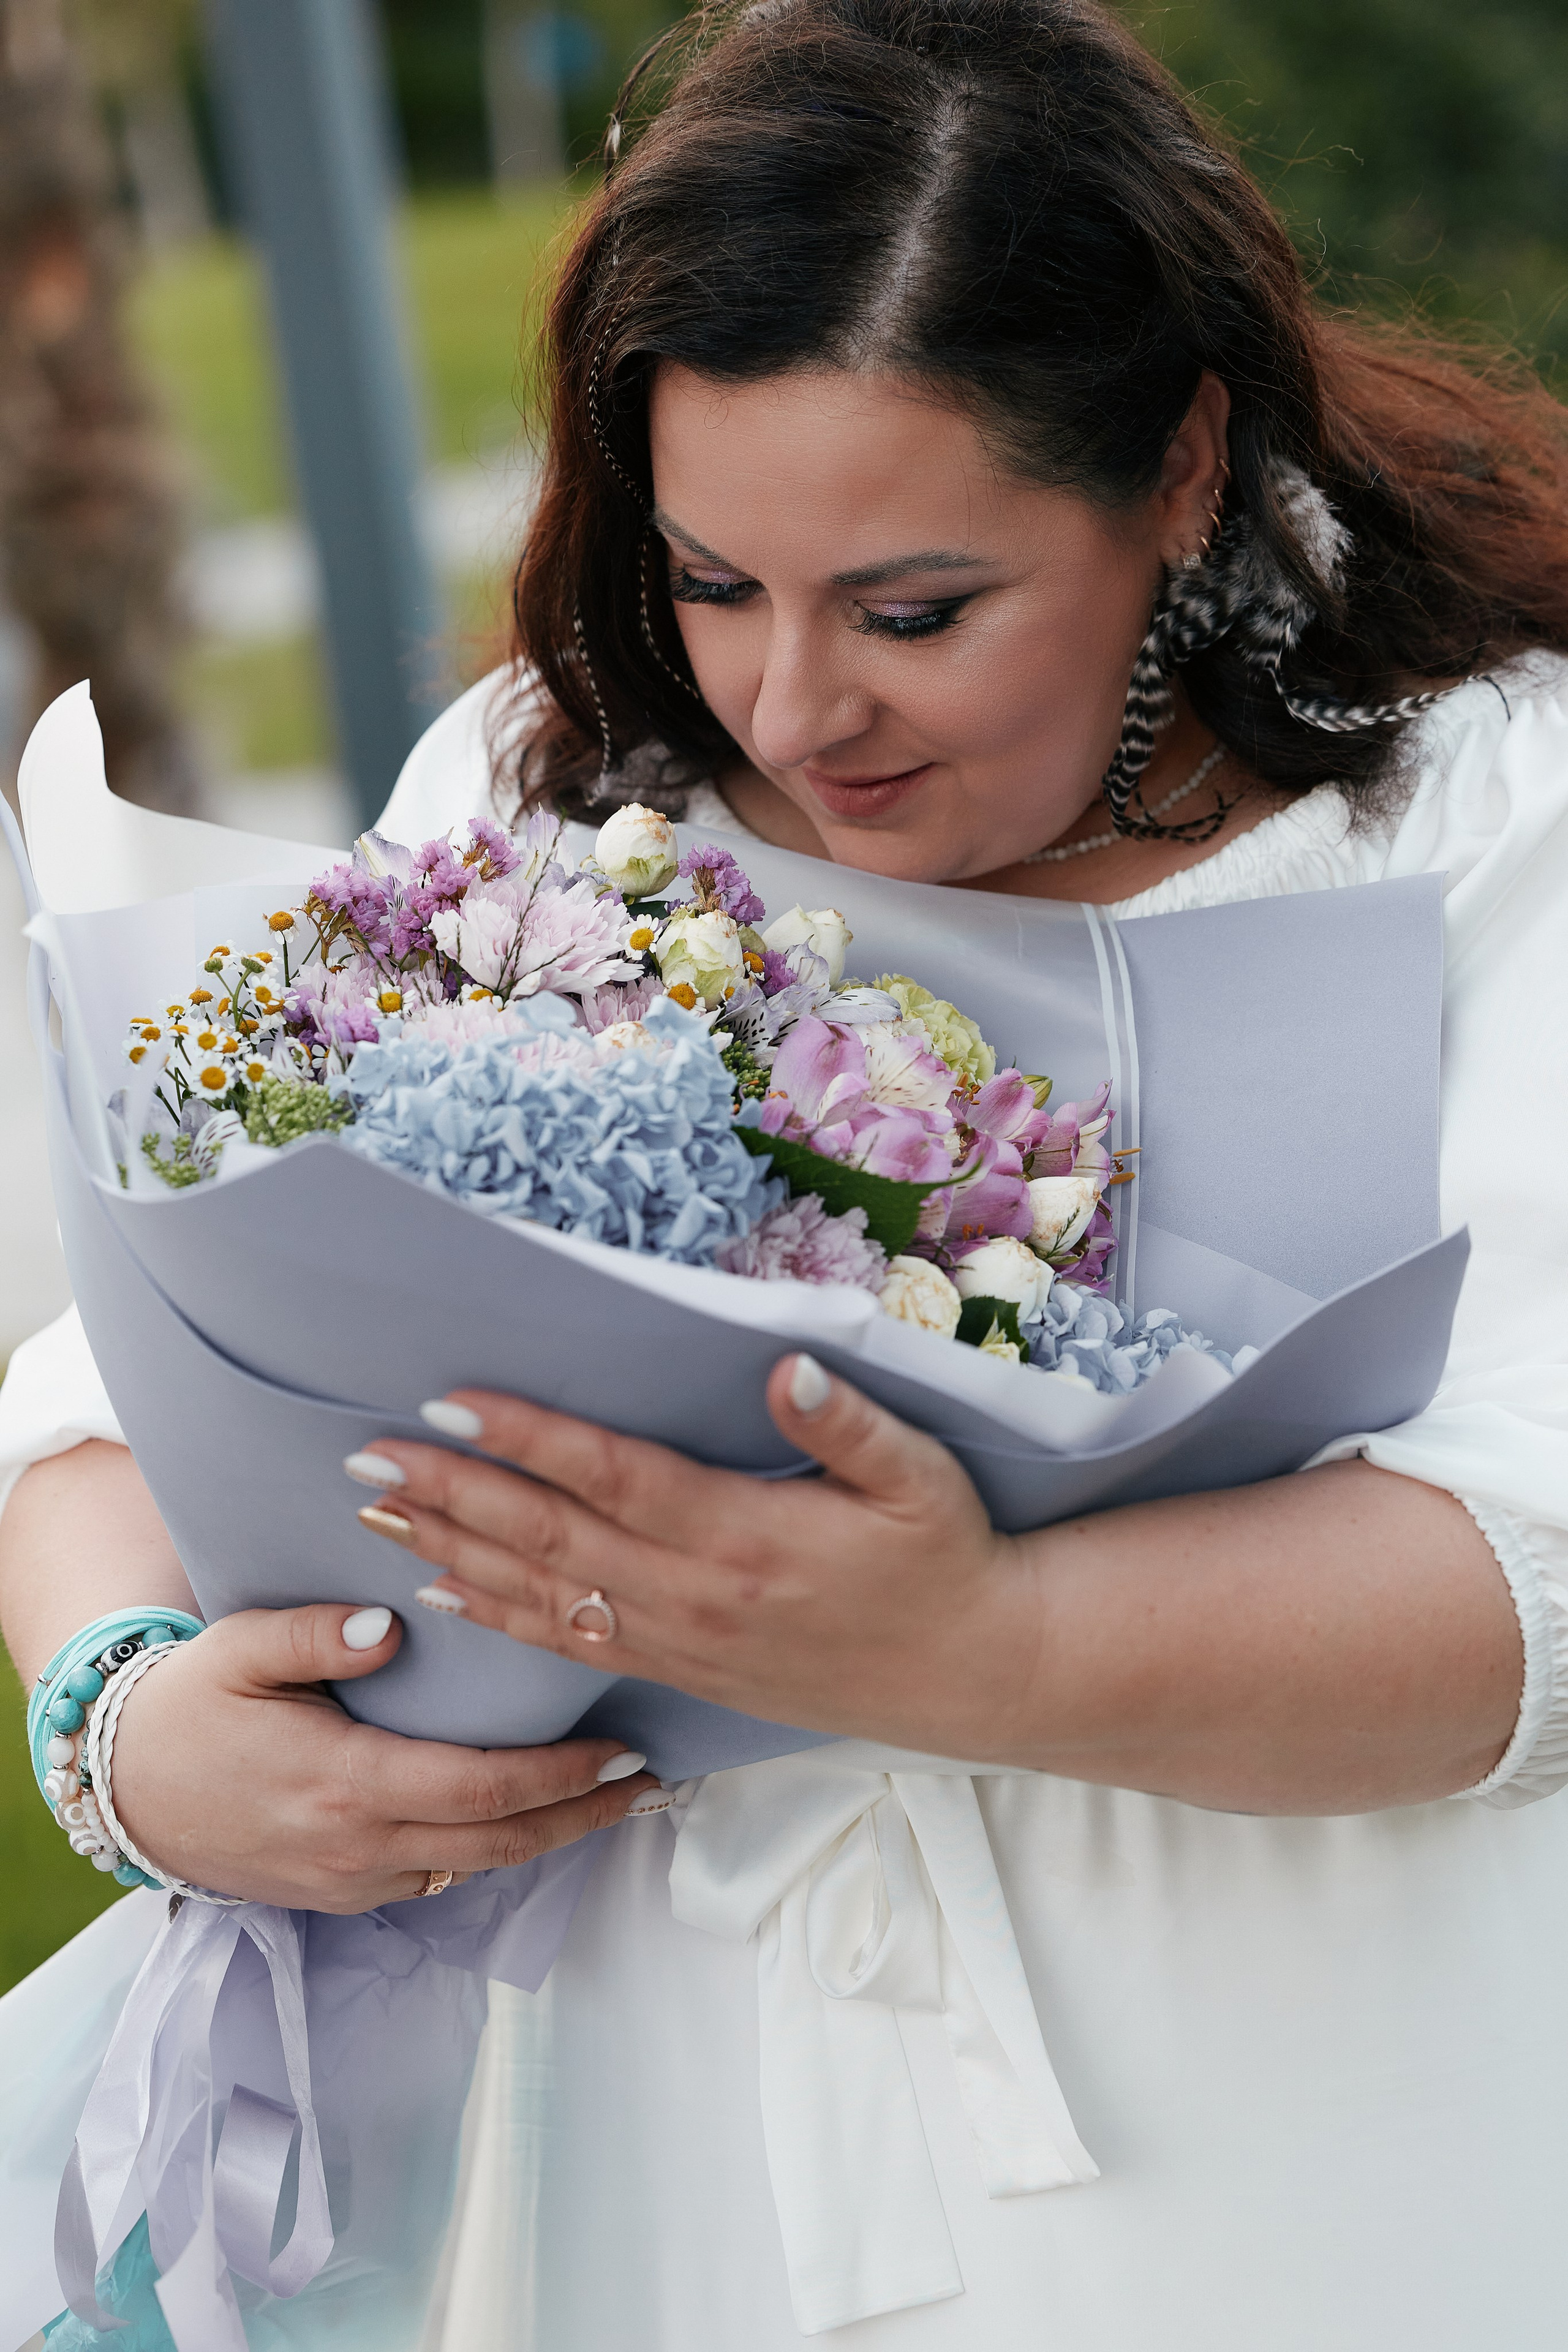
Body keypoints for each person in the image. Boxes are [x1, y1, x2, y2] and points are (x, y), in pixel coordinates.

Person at [5, 0, 1568, 2341]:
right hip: (681, 2145)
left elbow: (1543, 1559)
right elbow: (134, 1368)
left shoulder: (1479, 815)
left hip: (1323, 2132)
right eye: (718, 579)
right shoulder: (544, 798)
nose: (791, 708)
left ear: (1181, 468)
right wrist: (135, 1722)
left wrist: (981, 1646)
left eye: (917, 612)